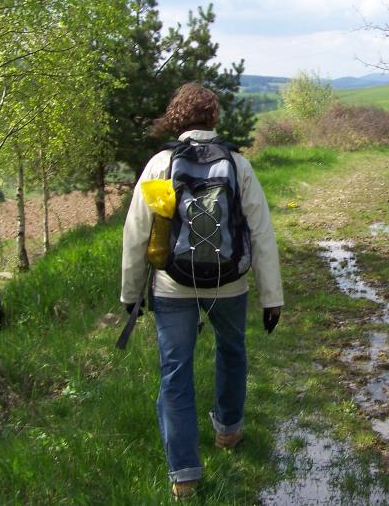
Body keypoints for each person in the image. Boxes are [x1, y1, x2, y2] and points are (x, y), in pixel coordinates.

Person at [120, 82, 283, 500]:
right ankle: (228, 430)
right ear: (213, 118)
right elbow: (261, 233)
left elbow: (137, 233)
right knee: (232, 352)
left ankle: (185, 476)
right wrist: (272, 298)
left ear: (177, 118)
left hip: (172, 284)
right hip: (229, 283)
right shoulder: (237, 164)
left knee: (176, 372)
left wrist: (130, 293)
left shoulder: (160, 164)